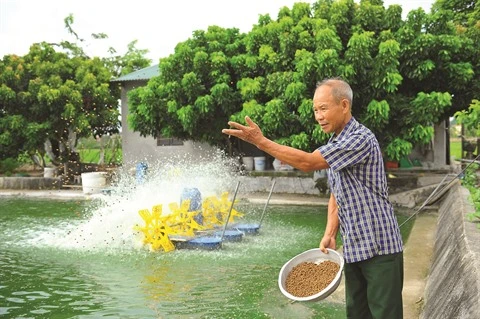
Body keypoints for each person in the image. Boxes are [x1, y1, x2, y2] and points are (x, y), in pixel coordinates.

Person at [222, 78, 404, 319]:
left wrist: (260, 141)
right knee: (357, 314)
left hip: (380, 247)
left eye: (324, 109)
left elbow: (308, 162)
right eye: (316, 110)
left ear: (344, 105)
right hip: (354, 247)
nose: (319, 116)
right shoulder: (335, 141)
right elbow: (338, 192)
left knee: (384, 315)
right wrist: (330, 233)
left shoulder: (360, 139)